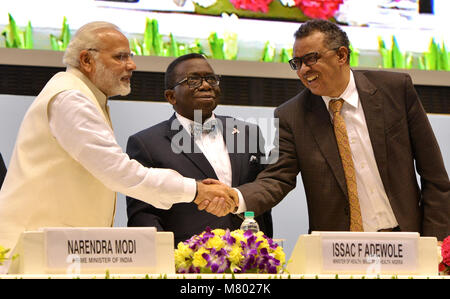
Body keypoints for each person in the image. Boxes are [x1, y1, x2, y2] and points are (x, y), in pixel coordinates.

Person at [201, 19, 450, 241]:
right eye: (297, 63)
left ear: (341, 55)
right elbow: (278, 176)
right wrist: (235, 196)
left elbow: (434, 175)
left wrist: (435, 240)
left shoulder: (394, 90)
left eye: (311, 59)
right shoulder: (291, 115)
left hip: (406, 237)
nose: (303, 70)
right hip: (339, 248)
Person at [0, 22, 235, 252]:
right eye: (120, 57)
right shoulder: (71, 98)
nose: (132, 65)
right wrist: (194, 190)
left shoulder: (84, 96)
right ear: (86, 60)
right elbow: (120, 173)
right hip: (33, 251)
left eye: (130, 56)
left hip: (54, 248)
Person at [126, 53, 273, 245]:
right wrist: (165, 262)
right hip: (186, 264)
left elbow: (262, 195)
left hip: (250, 258)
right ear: (170, 96)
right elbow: (143, 216)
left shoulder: (248, 132)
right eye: (193, 80)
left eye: (211, 79)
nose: (205, 85)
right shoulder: (146, 143)